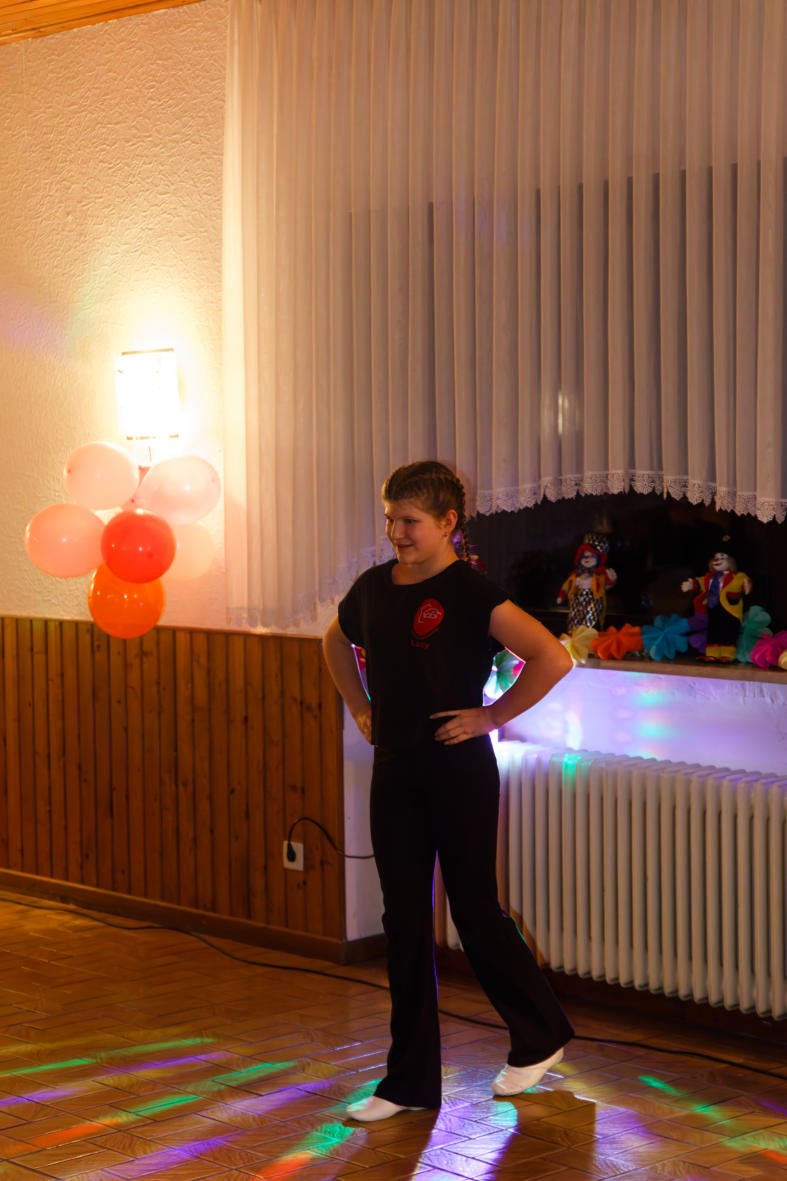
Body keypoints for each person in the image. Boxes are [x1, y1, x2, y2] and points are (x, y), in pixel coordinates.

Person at [322, 460, 575, 1123]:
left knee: (474, 910)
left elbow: (552, 656)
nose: (396, 532)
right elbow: (334, 642)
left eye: (409, 521)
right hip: (394, 772)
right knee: (403, 920)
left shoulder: (471, 591)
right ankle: (407, 1082)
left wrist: (491, 716)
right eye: (390, 519)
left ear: (446, 522)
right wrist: (360, 706)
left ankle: (540, 1033)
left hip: (458, 771)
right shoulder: (373, 588)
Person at [681, 549, 752, 662]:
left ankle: (727, 654)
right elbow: (700, 582)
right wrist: (691, 584)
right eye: (715, 557)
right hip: (713, 608)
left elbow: (744, 581)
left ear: (730, 561)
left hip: (729, 610)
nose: (717, 559)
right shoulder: (709, 578)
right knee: (713, 631)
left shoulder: (737, 576)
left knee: (728, 632)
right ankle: (712, 653)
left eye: (722, 557)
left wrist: (746, 585)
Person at [556, 532, 617, 631]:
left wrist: (611, 579)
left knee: (590, 619)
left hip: (593, 600)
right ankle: (573, 633)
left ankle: (587, 635)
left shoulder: (599, 575)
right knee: (574, 617)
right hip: (576, 599)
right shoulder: (575, 575)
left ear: (598, 559)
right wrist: (561, 596)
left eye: (591, 556)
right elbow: (566, 586)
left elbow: (605, 585)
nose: (587, 559)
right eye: (585, 556)